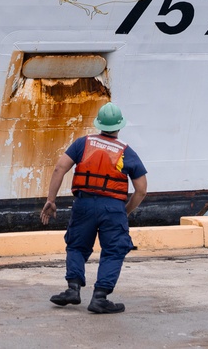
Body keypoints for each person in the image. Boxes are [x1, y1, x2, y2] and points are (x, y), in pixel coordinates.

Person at [40, 102, 148, 314]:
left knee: (77, 246)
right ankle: (100, 297)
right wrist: (124, 212)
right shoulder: (126, 152)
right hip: (113, 208)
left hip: (84, 204)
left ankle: (73, 289)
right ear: (119, 126)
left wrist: (51, 200)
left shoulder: (83, 143)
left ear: (99, 124)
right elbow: (141, 190)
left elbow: (59, 168)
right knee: (114, 250)